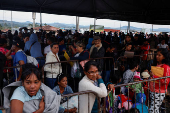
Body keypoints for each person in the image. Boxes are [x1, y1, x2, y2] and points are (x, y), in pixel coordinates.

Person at [149, 48, 170, 113]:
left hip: (159, 91)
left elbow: (166, 81)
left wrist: (154, 76)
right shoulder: (157, 65)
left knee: (153, 110)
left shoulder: (166, 67)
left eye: (159, 55)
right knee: (155, 109)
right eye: (157, 55)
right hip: (153, 90)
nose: (157, 56)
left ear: (164, 57)